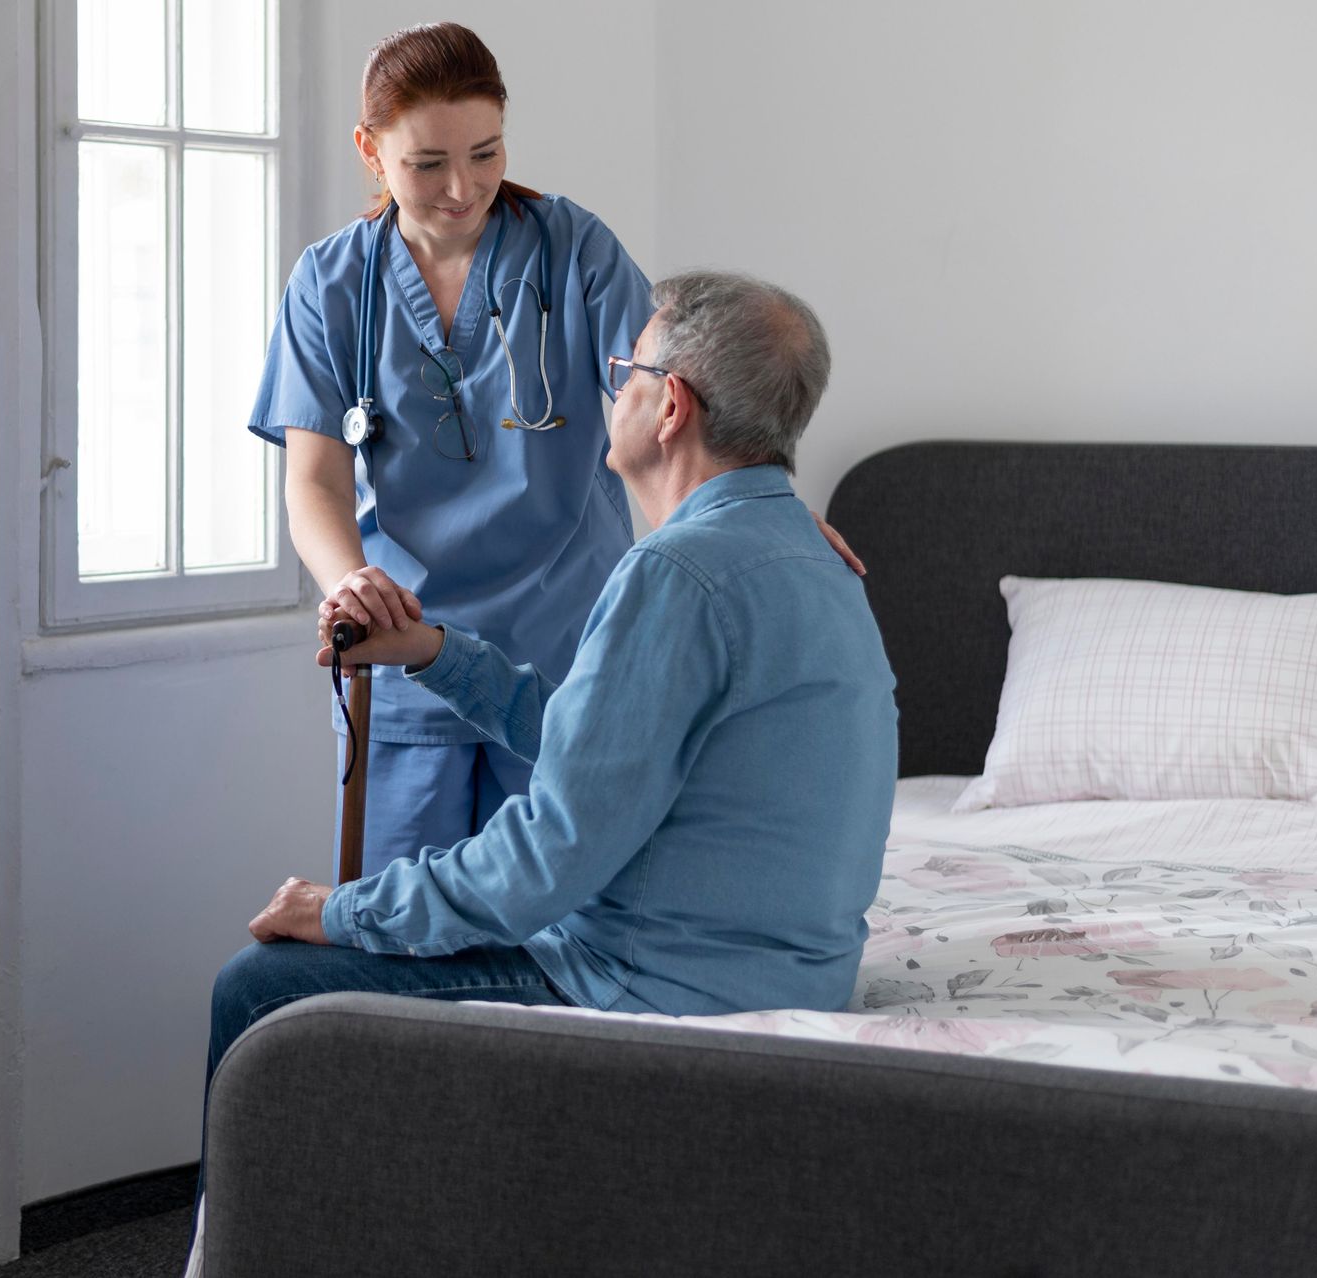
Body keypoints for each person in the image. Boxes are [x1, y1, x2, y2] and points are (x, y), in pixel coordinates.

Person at [209, 266, 899, 1131]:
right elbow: (606, 748)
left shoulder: (677, 573)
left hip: (657, 990)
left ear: (672, 407)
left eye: (627, 376)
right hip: (790, 976)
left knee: (258, 986)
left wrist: (344, 908)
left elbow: (545, 864)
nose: (614, 395)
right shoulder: (818, 561)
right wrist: (434, 655)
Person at [248, 23, 861, 880]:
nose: (463, 188)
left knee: (556, 937)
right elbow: (313, 480)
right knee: (395, 949)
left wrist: (768, 517)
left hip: (563, 655)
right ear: (371, 151)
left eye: (486, 153)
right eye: (428, 164)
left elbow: (673, 406)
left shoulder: (573, 250)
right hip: (402, 649)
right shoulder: (330, 282)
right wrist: (349, 580)